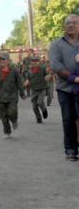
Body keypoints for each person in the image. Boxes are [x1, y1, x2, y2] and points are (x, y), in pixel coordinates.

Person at [49, 14, 79, 161]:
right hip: (65, 88)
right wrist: (74, 78)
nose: (71, 25)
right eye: (68, 23)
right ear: (64, 26)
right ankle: (71, 148)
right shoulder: (56, 44)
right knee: (68, 119)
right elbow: (55, 65)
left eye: (74, 22)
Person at [0, 53, 26, 138]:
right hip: (1, 97)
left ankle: (14, 120)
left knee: (12, 112)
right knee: (3, 115)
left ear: (8, 61)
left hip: (12, 97)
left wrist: (22, 93)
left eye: (3, 59)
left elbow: (19, 83)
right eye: (0, 59)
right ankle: (7, 132)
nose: (1, 61)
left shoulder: (14, 71)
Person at [25, 56, 50, 123]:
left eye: (36, 61)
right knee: (34, 107)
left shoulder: (42, 69)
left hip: (42, 89)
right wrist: (26, 83)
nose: (35, 62)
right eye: (33, 61)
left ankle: (44, 110)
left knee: (40, 102)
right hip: (34, 90)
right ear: (31, 62)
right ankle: (38, 118)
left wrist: (47, 77)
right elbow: (28, 79)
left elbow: (47, 75)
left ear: (39, 62)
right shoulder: (29, 70)